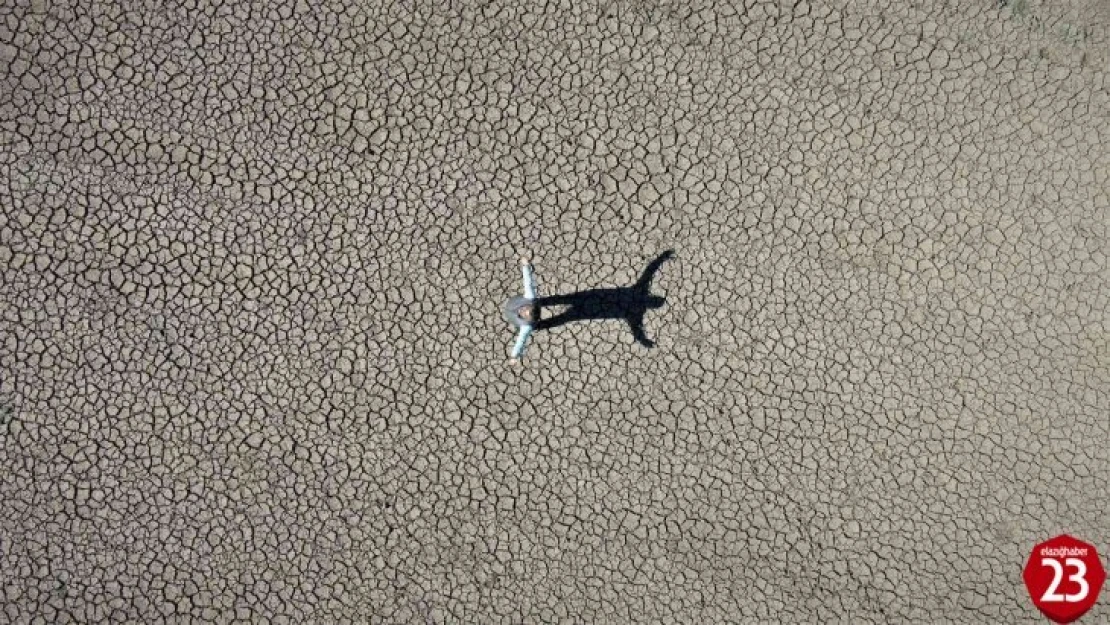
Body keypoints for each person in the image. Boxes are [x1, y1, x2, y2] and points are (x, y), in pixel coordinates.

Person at [503, 256, 539, 363]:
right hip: (521, 305)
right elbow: (527, 282)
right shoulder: (530, 298)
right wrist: (525, 266)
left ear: (527, 318)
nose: (522, 311)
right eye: (524, 309)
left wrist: (514, 356)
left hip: (528, 320)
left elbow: (520, 342)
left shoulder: (526, 326)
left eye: (524, 314)